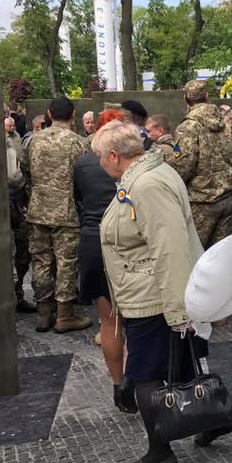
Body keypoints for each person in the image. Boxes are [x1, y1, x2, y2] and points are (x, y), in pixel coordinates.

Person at [95, 120, 232, 463]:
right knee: (184, 362)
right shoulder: (148, 173)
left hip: (154, 296)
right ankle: (215, 418)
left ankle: (159, 453)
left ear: (114, 156)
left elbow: (169, 248)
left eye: (99, 157)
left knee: (146, 376)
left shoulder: (148, 183)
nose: (98, 164)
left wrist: (176, 311)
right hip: (154, 291)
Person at [74, 109, 135, 413]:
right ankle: (139, 380)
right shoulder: (136, 164)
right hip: (129, 242)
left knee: (109, 322)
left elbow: (78, 200)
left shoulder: (83, 163)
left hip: (92, 241)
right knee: (139, 320)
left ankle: (118, 386)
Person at [21, 97, 92, 333]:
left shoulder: (32, 141)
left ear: (49, 114)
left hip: (37, 210)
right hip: (66, 211)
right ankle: (65, 315)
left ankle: (43, 313)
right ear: (73, 115)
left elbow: (25, 171)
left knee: (40, 261)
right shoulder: (79, 143)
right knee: (66, 263)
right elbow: (84, 177)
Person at [170, 80, 232, 249]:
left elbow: (183, 166)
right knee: (221, 257)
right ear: (207, 96)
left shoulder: (187, 127)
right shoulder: (228, 125)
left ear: (186, 99)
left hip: (200, 202)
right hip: (227, 199)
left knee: (194, 255)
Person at [5, 117, 34, 313]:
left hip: (18, 205)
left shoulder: (16, 140)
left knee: (23, 254)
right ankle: (10, 298)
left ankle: (18, 296)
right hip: (3, 206)